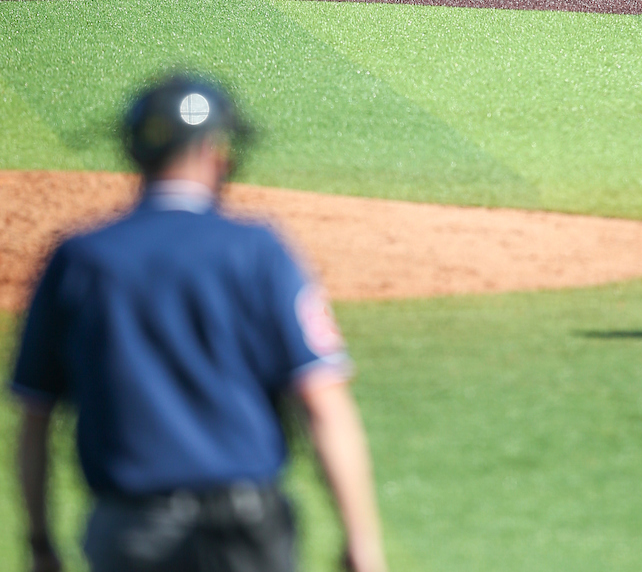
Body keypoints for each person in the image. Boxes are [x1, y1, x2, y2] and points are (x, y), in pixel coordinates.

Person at [11, 74, 389, 572]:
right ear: (217, 151)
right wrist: (360, 539)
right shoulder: (258, 250)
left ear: (135, 150)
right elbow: (322, 402)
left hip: (132, 532)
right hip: (248, 529)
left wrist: (39, 541)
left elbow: (36, 417)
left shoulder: (81, 259)